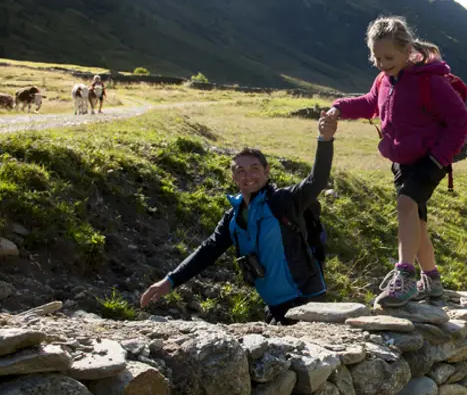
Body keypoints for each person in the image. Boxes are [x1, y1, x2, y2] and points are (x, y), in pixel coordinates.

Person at [325, 16, 467, 308]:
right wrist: (338, 107)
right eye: (376, 57)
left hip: (429, 159)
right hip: (401, 159)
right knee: (416, 220)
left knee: (406, 206)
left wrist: (438, 158)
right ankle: (432, 280)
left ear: (407, 51)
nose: (382, 63)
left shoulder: (431, 82)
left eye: (389, 57)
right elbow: (369, 103)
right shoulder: (383, 80)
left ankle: (404, 276)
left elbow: (461, 121)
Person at [140, 114, 337, 323]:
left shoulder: (284, 201)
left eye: (255, 169)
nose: (248, 176)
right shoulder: (233, 219)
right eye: (240, 171)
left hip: (305, 301)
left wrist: (325, 140)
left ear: (267, 172)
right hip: (275, 306)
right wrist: (169, 281)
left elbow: (317, 180)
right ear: (233, 177)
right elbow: (207, 251)